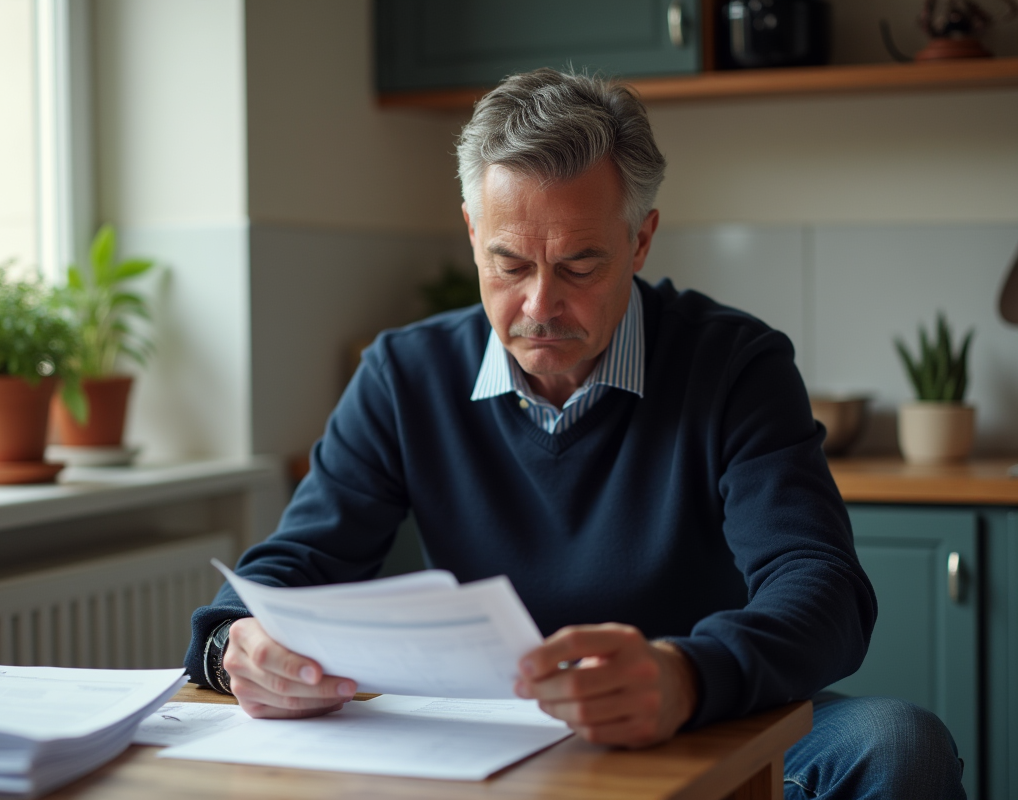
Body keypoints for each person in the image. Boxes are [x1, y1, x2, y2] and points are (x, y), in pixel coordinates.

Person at [185, 69, 965, 799]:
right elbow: (292, 564)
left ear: (642, 238)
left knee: (898, 743)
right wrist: (234, 646)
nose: (539, 306)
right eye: (510, 263)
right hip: (482, 733)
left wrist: (688, 676)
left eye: (582, 265)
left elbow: (822, 591)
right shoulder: (403, 374)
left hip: (699, 713)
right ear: (470, 231)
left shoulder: (736, 365)